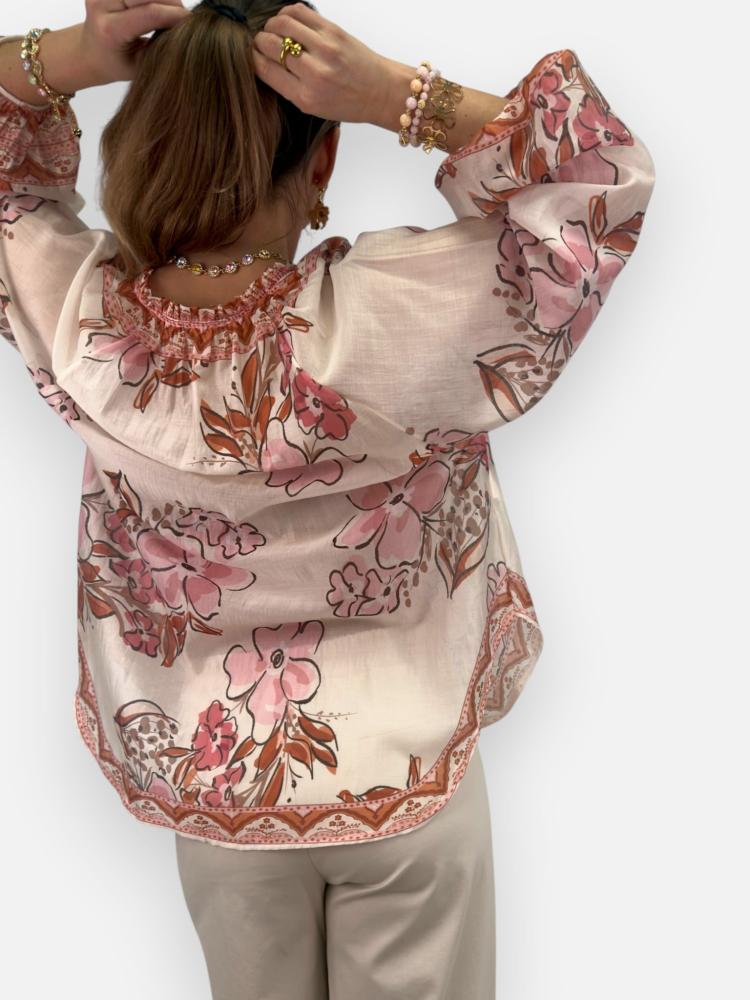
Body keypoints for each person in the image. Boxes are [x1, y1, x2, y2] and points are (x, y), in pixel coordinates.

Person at [0, 1, 656, 997]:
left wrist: (75, 56)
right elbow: (596, 177)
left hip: (221, 804)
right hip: (407, 781)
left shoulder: (83, 332)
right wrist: (400, 96)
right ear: (322, 163)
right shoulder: (395, 313)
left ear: (139, 149)